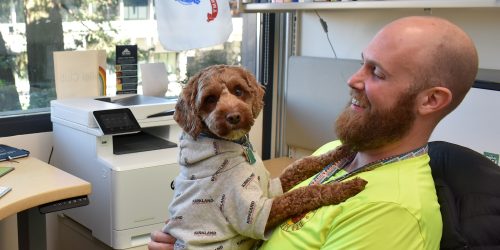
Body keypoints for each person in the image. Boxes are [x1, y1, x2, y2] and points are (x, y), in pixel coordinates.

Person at [148, 15, 478, 250]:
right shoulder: (337, 149)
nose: (352, 79)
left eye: (376, 71)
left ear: (431, 100)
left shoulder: (393, 212)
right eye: (362, 62)